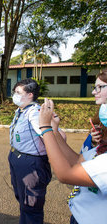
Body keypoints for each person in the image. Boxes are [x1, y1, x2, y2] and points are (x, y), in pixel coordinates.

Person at [39, 68, 107, 224]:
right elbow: (77, 162)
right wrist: (54, 130)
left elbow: (66, 174)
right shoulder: (101, 142)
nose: (94, 92)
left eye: (100, 87)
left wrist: (45, 128)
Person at [8, 78, 53, 224]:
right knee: (22, 199)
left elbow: (46, 133)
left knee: (31, 204)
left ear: (30, 95)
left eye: (18, 92)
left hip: (31, 163)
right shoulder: (21, 110)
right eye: (14, 92)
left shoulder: (34, 113)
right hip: (17, 158)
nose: (14, 95)